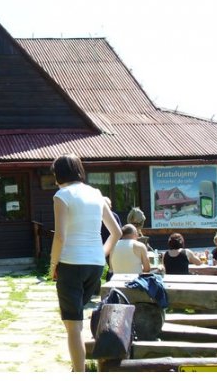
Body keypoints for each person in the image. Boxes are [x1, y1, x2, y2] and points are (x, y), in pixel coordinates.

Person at [48, 153, 122, 372]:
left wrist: (52, 265)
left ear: (58, 174)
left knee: (73, 327)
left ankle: (79, 371)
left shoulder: (62, 195)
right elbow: (116, 232)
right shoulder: (96, 193)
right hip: (95, 265)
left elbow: (60, 237)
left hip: (71, 264)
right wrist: (101, 253)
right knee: (77, 321)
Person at [101, 197, 122, 283]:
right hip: (106, 244)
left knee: (111, 267)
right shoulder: (113, 216)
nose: (110, 207)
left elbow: (119, 231)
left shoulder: (114, 216)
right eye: (108, 205)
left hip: (110, 244)